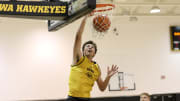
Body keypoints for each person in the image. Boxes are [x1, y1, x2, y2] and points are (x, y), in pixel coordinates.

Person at [66, 15, 119, 101]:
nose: (90, 47)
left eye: (92, 47)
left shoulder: (96, 67)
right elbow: (78, 36)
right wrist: (85, 18)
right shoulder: (79, 59)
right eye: (87, 46)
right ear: (83, 51)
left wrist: (108, 77)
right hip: (73, 98)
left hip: (87, 99)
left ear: (94, 53)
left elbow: (102, 88)